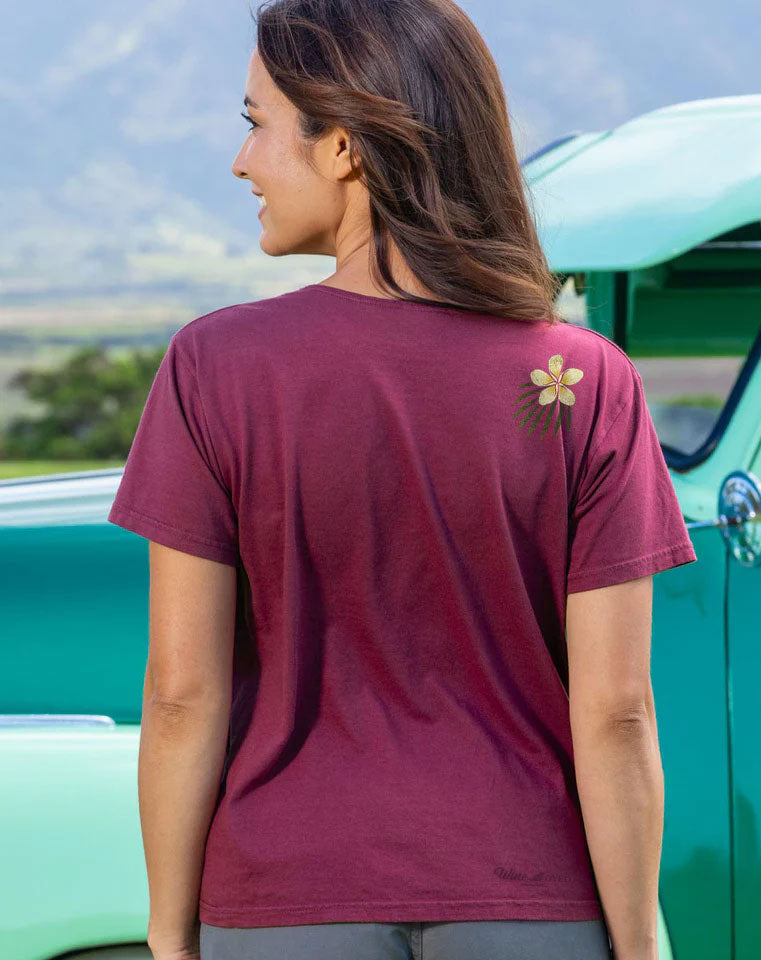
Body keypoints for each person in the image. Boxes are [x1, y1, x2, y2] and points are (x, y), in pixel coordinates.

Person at [106, 0, 697, 958]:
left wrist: (172, 938)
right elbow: (618, 712)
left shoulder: (215, 367)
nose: (240, 161)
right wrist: (634, 942)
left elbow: (181, 695)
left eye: (256, 124)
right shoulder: (586, 382)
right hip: (530, 901)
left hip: (284, 902)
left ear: (341, 145)